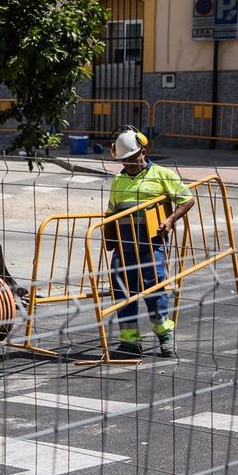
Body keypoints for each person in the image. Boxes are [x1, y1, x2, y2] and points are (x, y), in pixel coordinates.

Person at [104, 128, 194, 359]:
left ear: (143, 152)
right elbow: (111, 213)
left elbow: (187, 199)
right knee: (123, 291)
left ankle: (165, 336)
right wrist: (109, 240)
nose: (129, 164)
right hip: (124, 246)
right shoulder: (118, 180)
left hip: (151, 244)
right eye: (124, 160)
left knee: (154, 288)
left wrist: (170, 220)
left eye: (133, 159)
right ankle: (130, 342)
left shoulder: (162, 174)